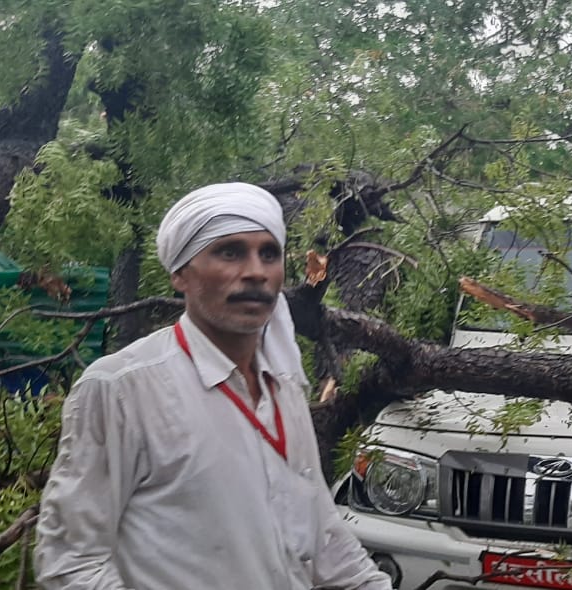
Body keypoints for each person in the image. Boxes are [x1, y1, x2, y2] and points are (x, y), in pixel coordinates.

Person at [35, 183, 392, 589]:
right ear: (180, 274)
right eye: (230, 252)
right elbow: (72, 562)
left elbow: (320, 530)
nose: (256, 271)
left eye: (269, 254)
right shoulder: (121, 390)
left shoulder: (284, 385)